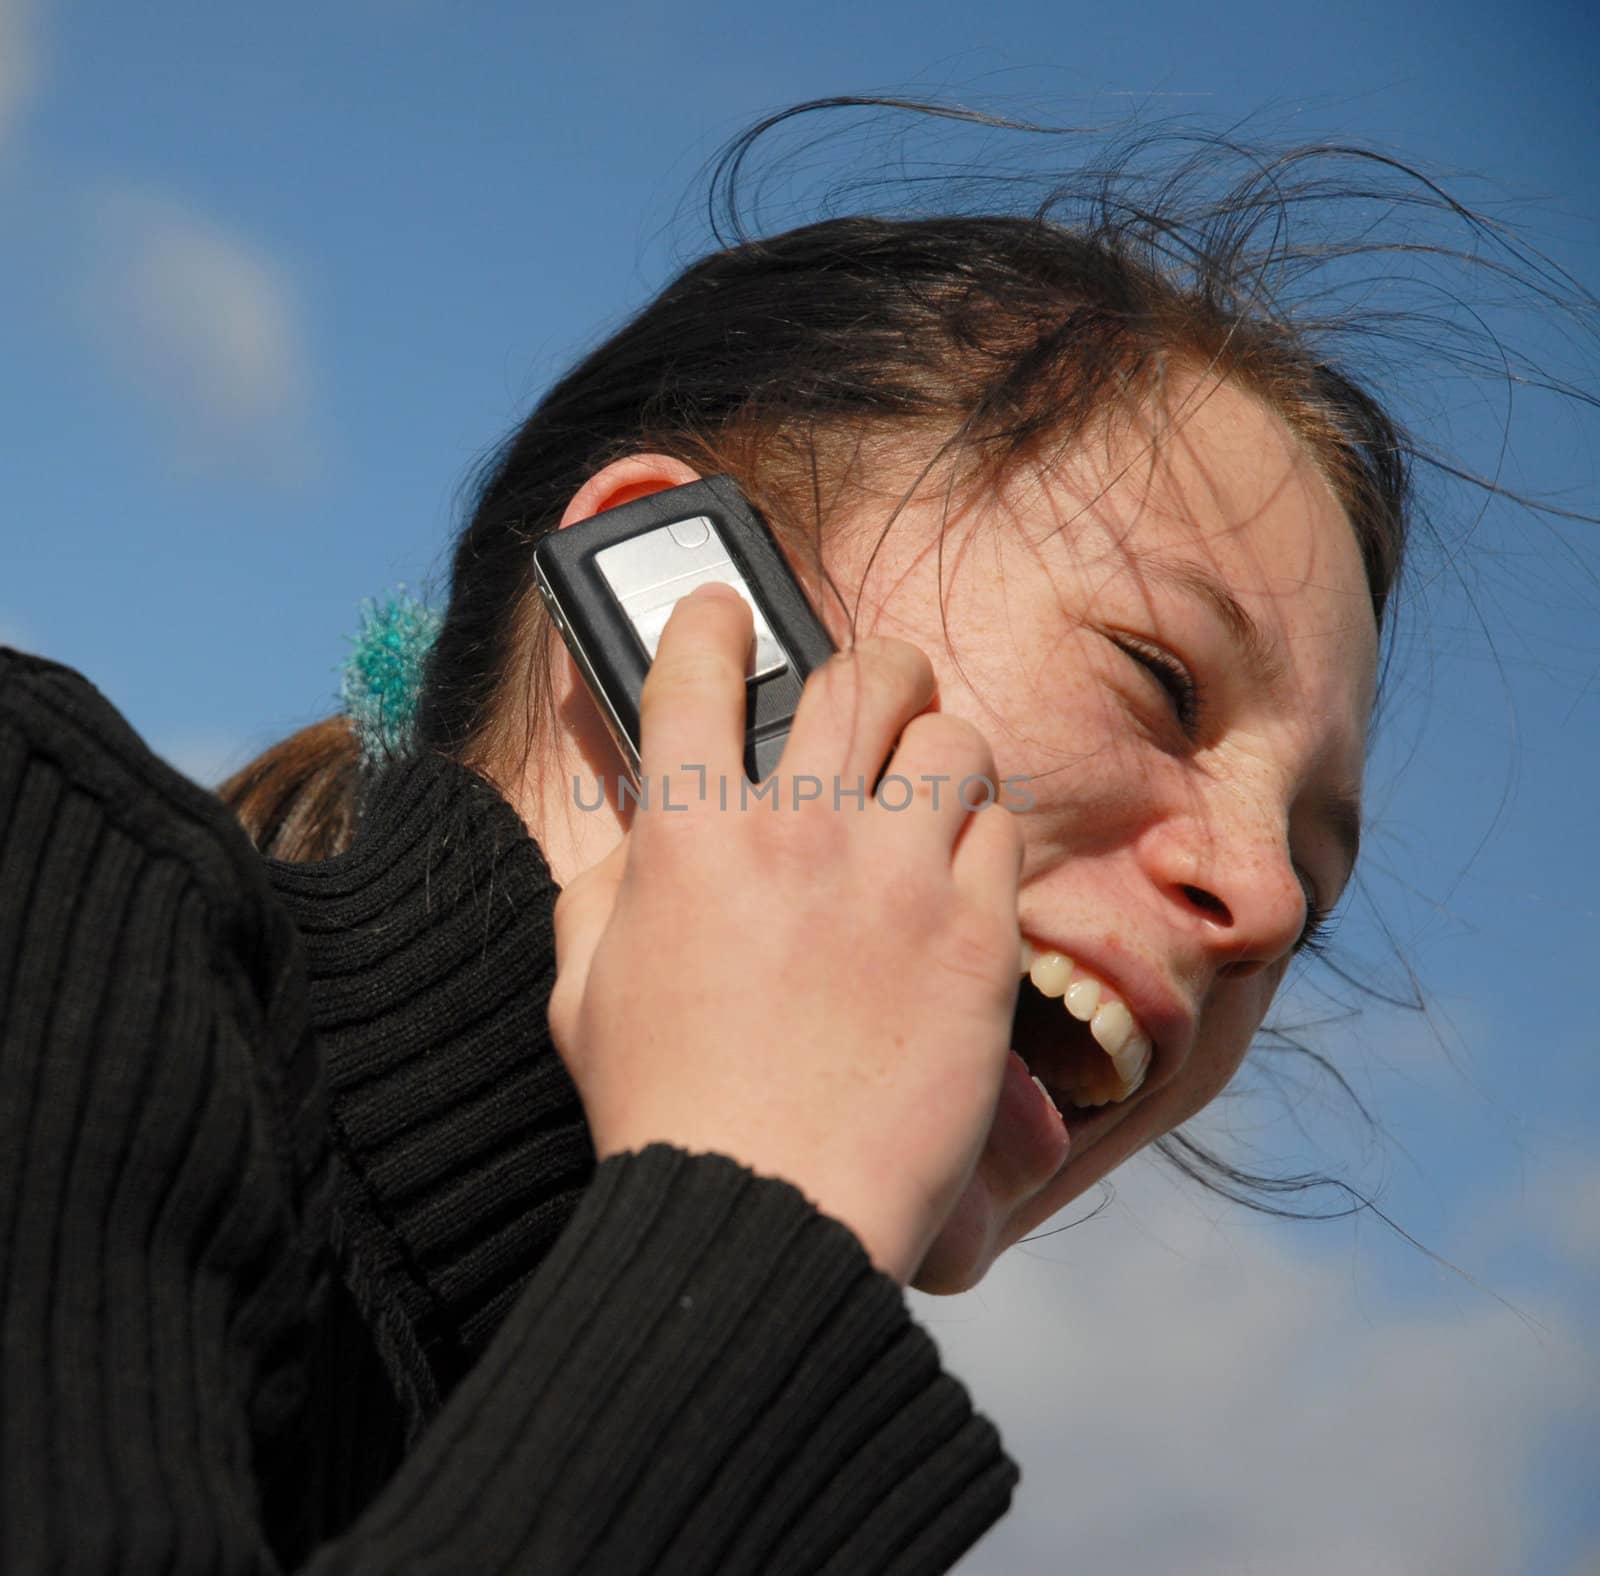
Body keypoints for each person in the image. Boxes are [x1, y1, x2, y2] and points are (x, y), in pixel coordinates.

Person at [0, 103, 1581, 1571]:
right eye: (1161, 679)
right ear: (690, 605)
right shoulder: (36, 868)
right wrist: (763, 1214)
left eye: (1315, 881)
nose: (1256, 900)